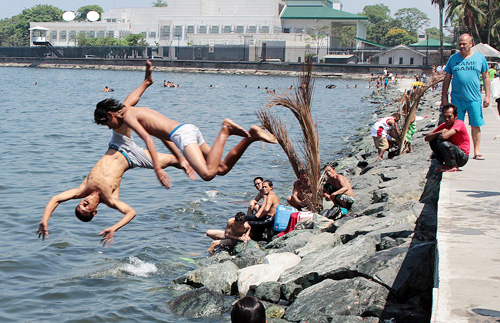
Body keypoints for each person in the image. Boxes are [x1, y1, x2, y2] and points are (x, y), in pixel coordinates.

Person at [37, 61, 187, 247]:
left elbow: (56, 199)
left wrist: (45, 219)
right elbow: (131, 212)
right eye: (86, 207)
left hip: (117, 145)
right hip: (132, 158)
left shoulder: (82, 190)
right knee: (175, 161)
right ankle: (204, 161)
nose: (83, 202)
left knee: (123, 110)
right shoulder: (111, 200)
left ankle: (147, 81)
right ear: (94, 212)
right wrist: (115, 227)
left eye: (80, 204)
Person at [94, 62, 277, 189]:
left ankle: (225, 130)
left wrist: (158, 169)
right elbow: (160, 134)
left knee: (207, 175)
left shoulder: (126, 116)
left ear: (111, 115)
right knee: (221, 169)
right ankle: (251, 136)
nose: (111, 128)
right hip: (187, 130)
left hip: (183, 136)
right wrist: (147, 80)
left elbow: (148, 139)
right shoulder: (128, 107)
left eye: (107, 124)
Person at [441, 33, 490, 160]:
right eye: (460, 44)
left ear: (471, 44)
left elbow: (486, 77)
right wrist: (444, 98)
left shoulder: (480, 58)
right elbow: (447, 78)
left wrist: (488, 96)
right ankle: (458, 151)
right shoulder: (453, 58)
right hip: (457, 99)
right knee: (456, 126)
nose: (462, 46)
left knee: (475, 124)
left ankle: (477, 151)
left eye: (464, 44)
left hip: (474, 98)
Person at [425, 104, 470, 172]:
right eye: (445, 117)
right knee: (433, 140)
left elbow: (444, 136)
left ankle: (453, 165)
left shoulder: (459, 123)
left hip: (462, 156)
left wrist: (442, 133)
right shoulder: (444, 125)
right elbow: (427, 138)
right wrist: (439, 132)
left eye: (449, 117)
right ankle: (445, 163)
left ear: (456, 116)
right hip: (453, 153)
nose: (447, 119)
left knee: (442, 142)